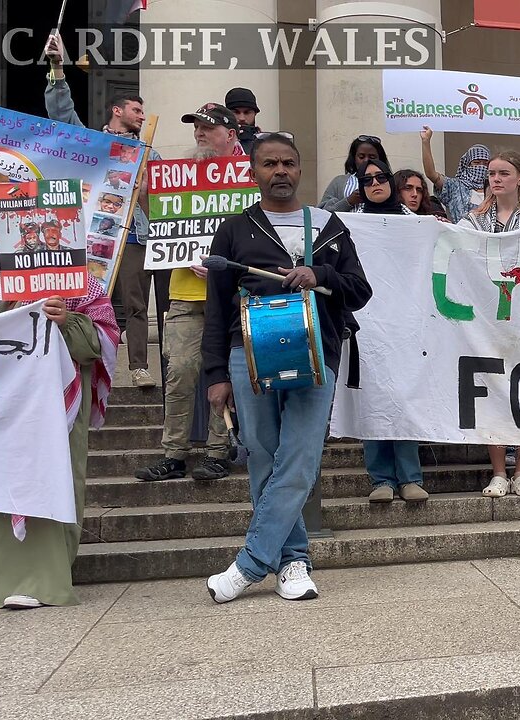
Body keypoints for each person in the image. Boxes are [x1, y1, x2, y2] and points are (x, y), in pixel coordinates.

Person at [202, 133, 372, 603]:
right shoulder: (235, 230)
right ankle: (293, 559)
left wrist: (322, 275)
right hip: (248, 353)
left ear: (300, 170)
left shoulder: (329, 226)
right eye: (271, 164)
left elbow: (361, 290)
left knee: (299, 456)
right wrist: (216, 374)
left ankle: (250, 564)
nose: (281, 171)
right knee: (261, 452)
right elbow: (216, 308)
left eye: (289, 163)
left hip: (318, 353)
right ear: (254, 171)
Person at [0, 262, 119, 609]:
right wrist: (8, 311)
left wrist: (67, 320)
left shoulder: (79, 278)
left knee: (51, 475)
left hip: (54, 403)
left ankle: (39, 580)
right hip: (0, 405)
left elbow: (101, 340)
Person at [44, 31, 160, 389]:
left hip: (136, 236)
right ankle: (80, 359)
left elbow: (161, 205)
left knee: (137, 304)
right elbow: (63, 115)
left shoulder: (150, 155)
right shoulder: (94, 143)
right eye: (136, 110)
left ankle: (139, 366)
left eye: (143, 112)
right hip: (93, 236)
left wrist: (145, 194)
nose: (142, 116)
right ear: (117, 110)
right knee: (89, 299)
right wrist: (57, 69)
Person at [133, 104, 243, 483]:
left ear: (230, 134)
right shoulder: (179, 175)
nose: (199, 132)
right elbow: (162, 223)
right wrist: (146, 195)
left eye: (208, 127)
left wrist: (224, 264)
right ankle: (174, 453)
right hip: (185, 290)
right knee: (178, 371)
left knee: (224, 373)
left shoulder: (247, 175)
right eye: (196, 126)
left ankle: (217, 450)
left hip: (231, 296)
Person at [458, 151, 520, 499]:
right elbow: (459, 247)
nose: (495, 179)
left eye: (503, 173)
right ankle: (499, 471)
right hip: (488, 317)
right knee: (493, 390)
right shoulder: (473, 218)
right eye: (492, 174)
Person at [351, 160, 434, 504]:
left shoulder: (415, 224)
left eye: (381, 177)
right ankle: (381, 478)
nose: (375, 183)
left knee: (403, 396)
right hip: (368, 323)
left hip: (406, 322)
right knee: (373, 399)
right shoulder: (349, 223)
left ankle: (409, 477)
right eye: (366, 179)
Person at [422, 128, 520, 224]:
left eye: (485, 163)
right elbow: (431, 174)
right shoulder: (455, 187)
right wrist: (426, 142)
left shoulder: (498, 187)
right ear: (467, 164)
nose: (481, 167)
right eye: (476, 163)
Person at [319, 135, 389, 213]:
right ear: (354, 158)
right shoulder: (339, 182)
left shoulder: (388, 181)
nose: (366, 160)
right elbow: (322, 213)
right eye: (361, 157)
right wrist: (349, 201)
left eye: (372, 157)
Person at [225, 87, 262, 156]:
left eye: (247, 112)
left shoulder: (266, 143)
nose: (242, 118)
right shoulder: (218, 143)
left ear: (255, 113)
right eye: (236, 112)